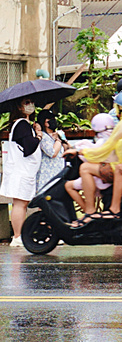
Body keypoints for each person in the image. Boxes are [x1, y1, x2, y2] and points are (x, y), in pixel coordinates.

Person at [74, 91, 122, 220]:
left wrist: (80, 152)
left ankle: (91, 211)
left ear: (120, 108)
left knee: (85, 168)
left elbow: (105, 150)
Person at [2, 97, 43, 247]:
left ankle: (20, 235)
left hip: (24, 171)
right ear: (18, 107)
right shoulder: (21, 125)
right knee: (19, 204)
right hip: (21, 171)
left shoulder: (25, 125)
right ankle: (18, 236)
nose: (30, 105)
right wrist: (39, 135)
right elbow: (29, 147)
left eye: (32, 102)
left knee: (22, 204)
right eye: (26, 103)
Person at [64, 113, 116, 215]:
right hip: (109, 174)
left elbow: (93, 155)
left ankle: (89, 211)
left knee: (69, 185)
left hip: (101, 176)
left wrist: (78, 150)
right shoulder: (113, 136)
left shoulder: (102, 140)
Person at [35, 110, 68, 192]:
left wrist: (62, 139)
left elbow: (67, 149)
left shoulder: (58, 134)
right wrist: (58, 140)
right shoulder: (43, 137)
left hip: (59, 173)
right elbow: (52, 153)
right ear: (45, 122)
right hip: (47, 177)